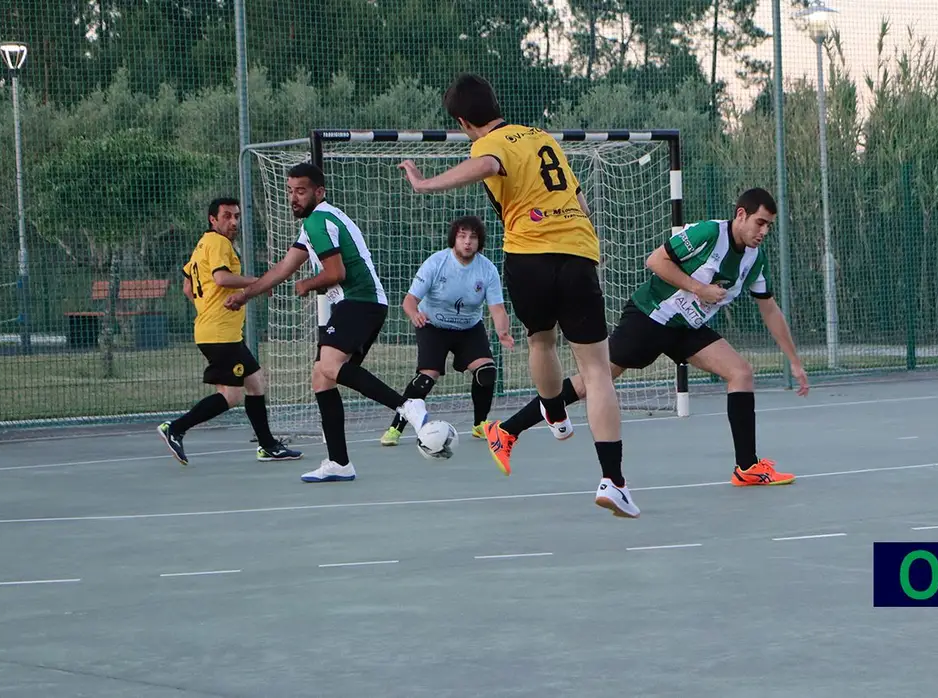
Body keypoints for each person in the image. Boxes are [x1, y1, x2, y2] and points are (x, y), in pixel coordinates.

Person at [397, 73, 637, 518]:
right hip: (575, 254)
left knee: (540, 341)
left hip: (527, 258)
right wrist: (587, 245)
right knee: (597, 373)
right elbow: (580, 203)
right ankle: (613, 481)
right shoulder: (543, 138)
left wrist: (426, 184)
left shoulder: (488, 144)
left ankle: (554, 414)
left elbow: (487, 165)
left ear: (464, 120)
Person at [486, 188, 809, 486]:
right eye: (760, 222)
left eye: (768, 226)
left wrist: (794, 362)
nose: (764, 231)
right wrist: (699, 288)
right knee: (593, 381)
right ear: (741, 214)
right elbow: (655, 261)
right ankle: (506, 430)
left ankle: (747, 467)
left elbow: (770, 310)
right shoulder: (710, 233)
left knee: (740, 372)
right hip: (652, 317)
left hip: (687, 327)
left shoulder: (755, 260)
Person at [225, 162, 422, 483]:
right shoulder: (318, 222)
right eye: (290, 191)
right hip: (365, 304)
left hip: (358, 301)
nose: (293, 198)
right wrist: (246, 294)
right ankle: (339, 462)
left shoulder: (319, 220)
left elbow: (335, 274)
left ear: (319, 192)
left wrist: (307, 285)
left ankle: (406, 406)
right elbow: (282, 269)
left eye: (300, 191)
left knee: (328, 367)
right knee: (322, 378)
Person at [157, 197, 302, 466]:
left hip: (215, 331)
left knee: (256, 382)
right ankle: (175, 428)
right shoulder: (218, 243)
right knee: (232, 395)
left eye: (236, 216)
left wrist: (208, 308)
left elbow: (188, 288)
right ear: (213, 219)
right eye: (226, 216)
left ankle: (267, 445)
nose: (233, 221)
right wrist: (259, 282)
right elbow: (222, 278)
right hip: (219, 335)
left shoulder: (202, 244)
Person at [379, 215, 514, 446]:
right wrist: (415, 314)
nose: (467, 242)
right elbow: (409, 301)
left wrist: (503, 331)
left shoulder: (487, 270)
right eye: (462, 236)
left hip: (469, 328)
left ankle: (480, 424)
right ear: (454, 239)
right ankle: (396, 426)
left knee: (487, 372)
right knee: (426, 379)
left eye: (473, 237)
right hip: (433, 326)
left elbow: (497, 308)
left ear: (479, 242)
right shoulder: (436, 262)